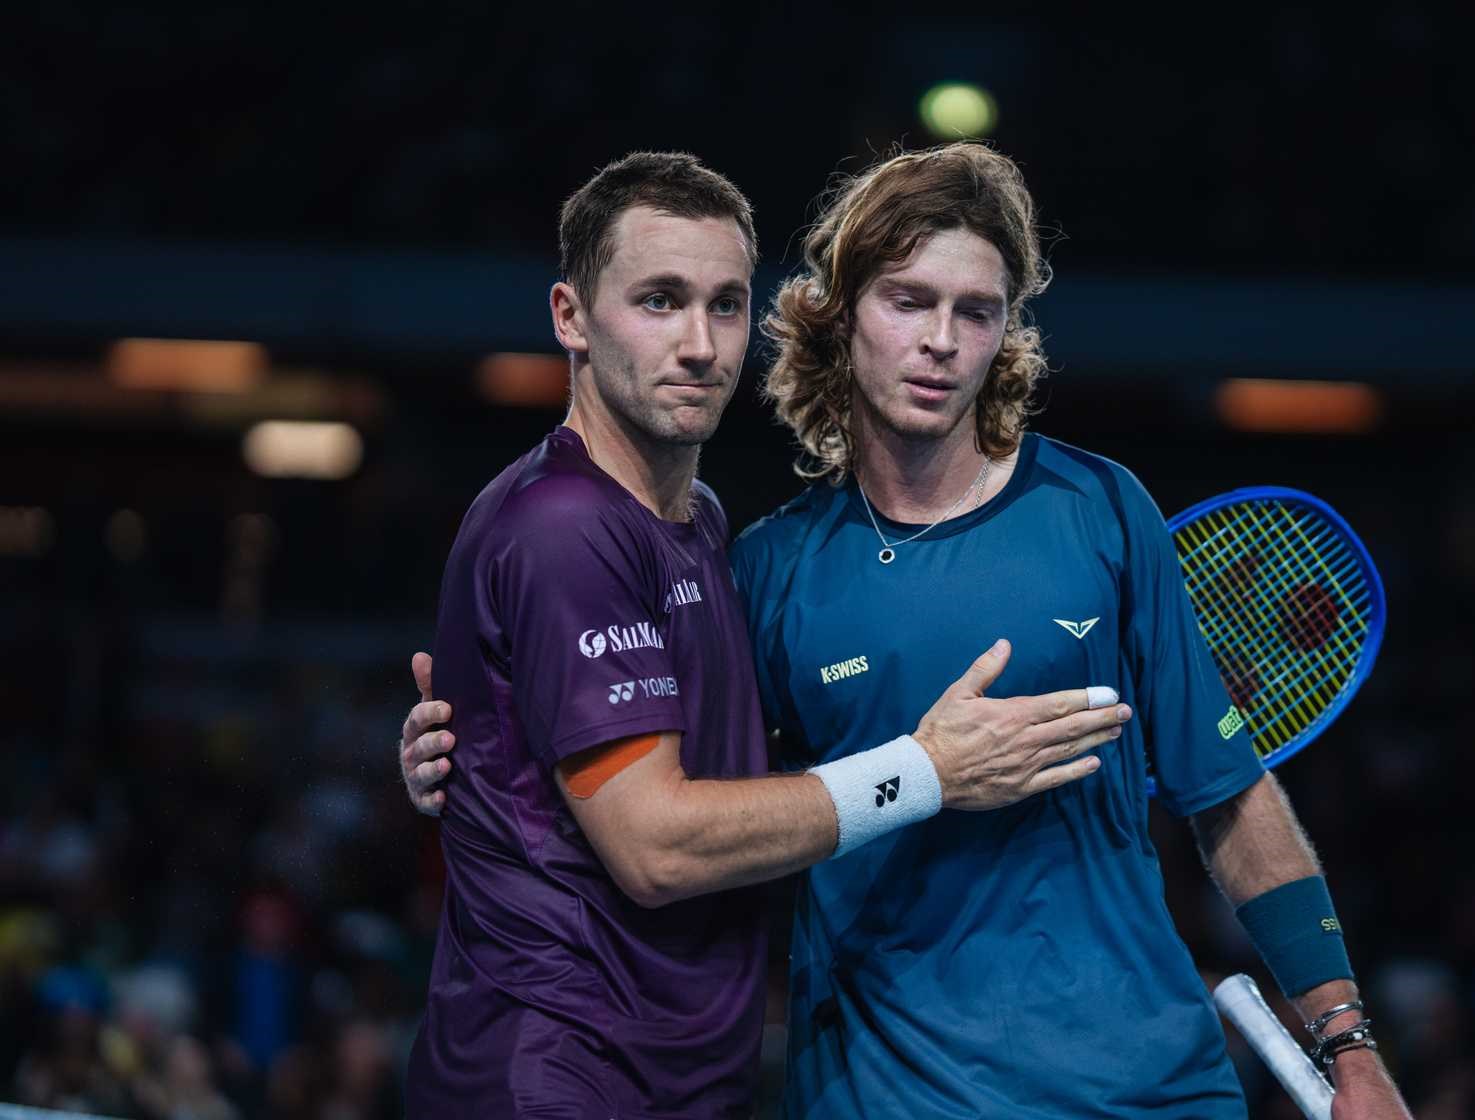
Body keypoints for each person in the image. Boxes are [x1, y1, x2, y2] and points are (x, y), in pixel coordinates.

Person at [404, 144, 1412, 1118]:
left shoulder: (1101, 509)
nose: (941, 340)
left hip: (1147, 1092)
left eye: (976, 312)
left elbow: (1230, 797)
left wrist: (1349, 1042)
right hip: (872, 1093)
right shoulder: (764, 565)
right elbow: (687, 809)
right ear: (841, 319)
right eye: (909, 302)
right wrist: (482, 750)